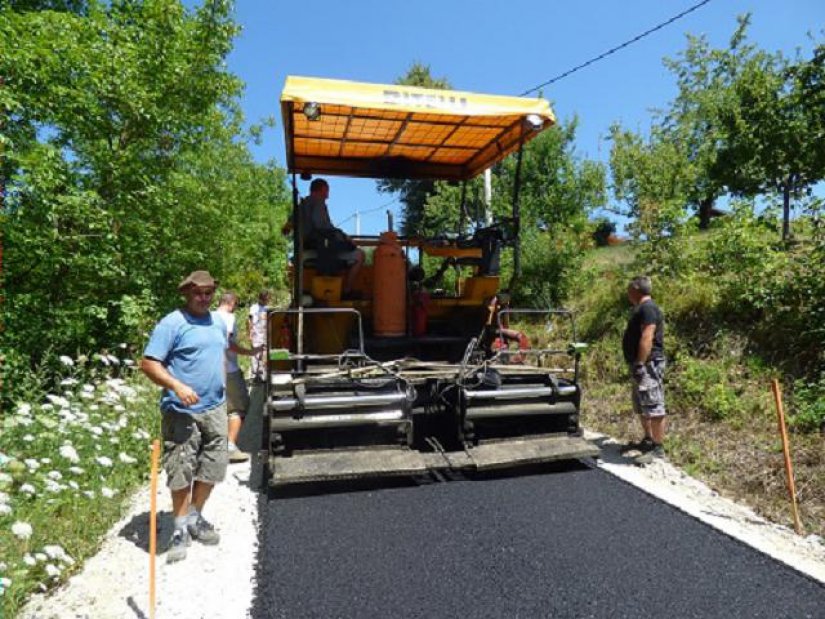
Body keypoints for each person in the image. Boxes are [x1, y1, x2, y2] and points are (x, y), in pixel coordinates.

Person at [140, 270, 227, 563]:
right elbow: (149, 363)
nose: (204, 298)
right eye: (198, 293)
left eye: (208, 292)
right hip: (182, 412)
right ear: (187, 293)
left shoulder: (217, 322)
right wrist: (176, 386)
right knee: (181, 469)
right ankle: (178, 529)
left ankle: (194, 515)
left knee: (214, 466)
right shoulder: (173, 323)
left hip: (215, 408)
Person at [282, 178, 365, 296]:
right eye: (326, 191)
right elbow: (322, 226)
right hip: (319, 248)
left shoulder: (301, 205)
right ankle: (346, 290)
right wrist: (345, 237)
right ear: (320, 190)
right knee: (359, 255)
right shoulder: (318, 202)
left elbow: (286, 228)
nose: (327, 196)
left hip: (304, 249)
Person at [621, 275, 667, 465]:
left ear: (636, 289)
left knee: (654, 404)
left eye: (629, 289)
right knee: (641, 404)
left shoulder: (648, 308)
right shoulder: (640, 308)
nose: (627, 293)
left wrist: (641, 362)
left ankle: (658, 447)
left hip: (648, 363)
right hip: (639, 363)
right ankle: (648, 440)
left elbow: (647, 335)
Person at [216, 291, 262, 463]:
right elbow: (228, 343)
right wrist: (251, 352)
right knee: (238, 408)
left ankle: (214, 446)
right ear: (232, 302)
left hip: (211, 370)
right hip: (228, 369)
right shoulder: (228, 318)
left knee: (218, 408)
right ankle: (229, 448)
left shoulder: (209, 316)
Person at [248, 290, 270, 383]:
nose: (266, 301)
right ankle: (256, 375)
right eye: (264, 299)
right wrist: (250, 332)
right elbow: (249, 320)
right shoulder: (253, 308)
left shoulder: (268, 308)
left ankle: (264, 375)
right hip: (256, 334)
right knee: (255, 354)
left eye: (267, 299)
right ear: (260, 298)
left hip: (266, 334)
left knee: (265, 354)